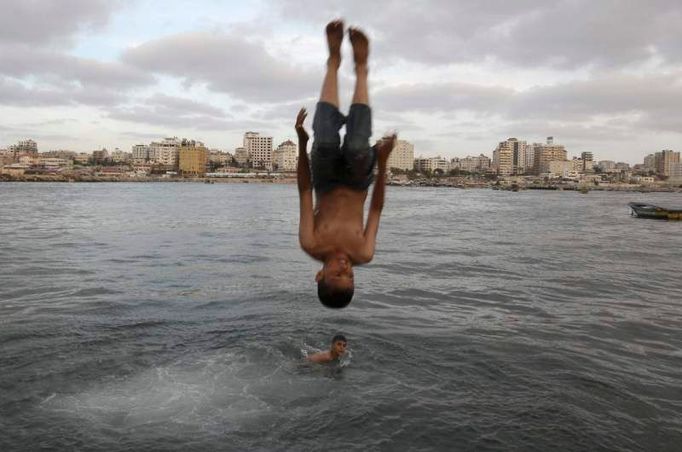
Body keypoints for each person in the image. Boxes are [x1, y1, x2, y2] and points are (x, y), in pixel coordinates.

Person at [295, 20, 396, 309]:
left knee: (323, 140)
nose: (344, 267)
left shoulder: (311, 243)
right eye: (349, 276)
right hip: (356, 181)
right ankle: (362, 68)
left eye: (337, 274)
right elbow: (376, 208)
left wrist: (301, 144)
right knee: (356, 145)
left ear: (319, 275)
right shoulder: (363, 252)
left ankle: (333, 61)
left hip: (325, 180)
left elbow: (304, 190)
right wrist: (383, 164)